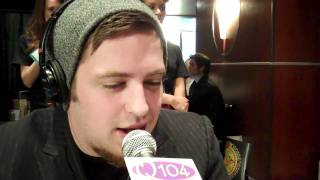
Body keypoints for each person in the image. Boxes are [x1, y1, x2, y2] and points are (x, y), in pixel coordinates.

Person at [0, 0, 229, 179]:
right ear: (62, 87)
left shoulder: (198, 141)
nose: (140, 108)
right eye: (114, 84)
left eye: (153, 81)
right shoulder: (9, 151)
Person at [12, 0, 62, 111]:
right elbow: (27, 80)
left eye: (59, 9)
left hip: (64, 108)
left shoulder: (68, 39)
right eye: (51, 9)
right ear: (42, 12)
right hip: (37, 109)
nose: (55, 14)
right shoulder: (27, 40)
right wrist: (42, 50)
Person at [140, 0, 189, 112]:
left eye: (162, 7)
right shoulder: (128, 46)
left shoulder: (174, 49)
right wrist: (171, 100)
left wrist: (179, 107)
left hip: (170, 114)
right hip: (143, 111)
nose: (158, 12)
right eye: (151, 7)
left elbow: (179, 84)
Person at [187, 53, 226, 140]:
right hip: (198, 129)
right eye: (189, 64)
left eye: (192, 65)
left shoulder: (210, 87)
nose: (188, 67)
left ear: (202, 68)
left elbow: (216, 116)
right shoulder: (194, 85)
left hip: (209, 134)